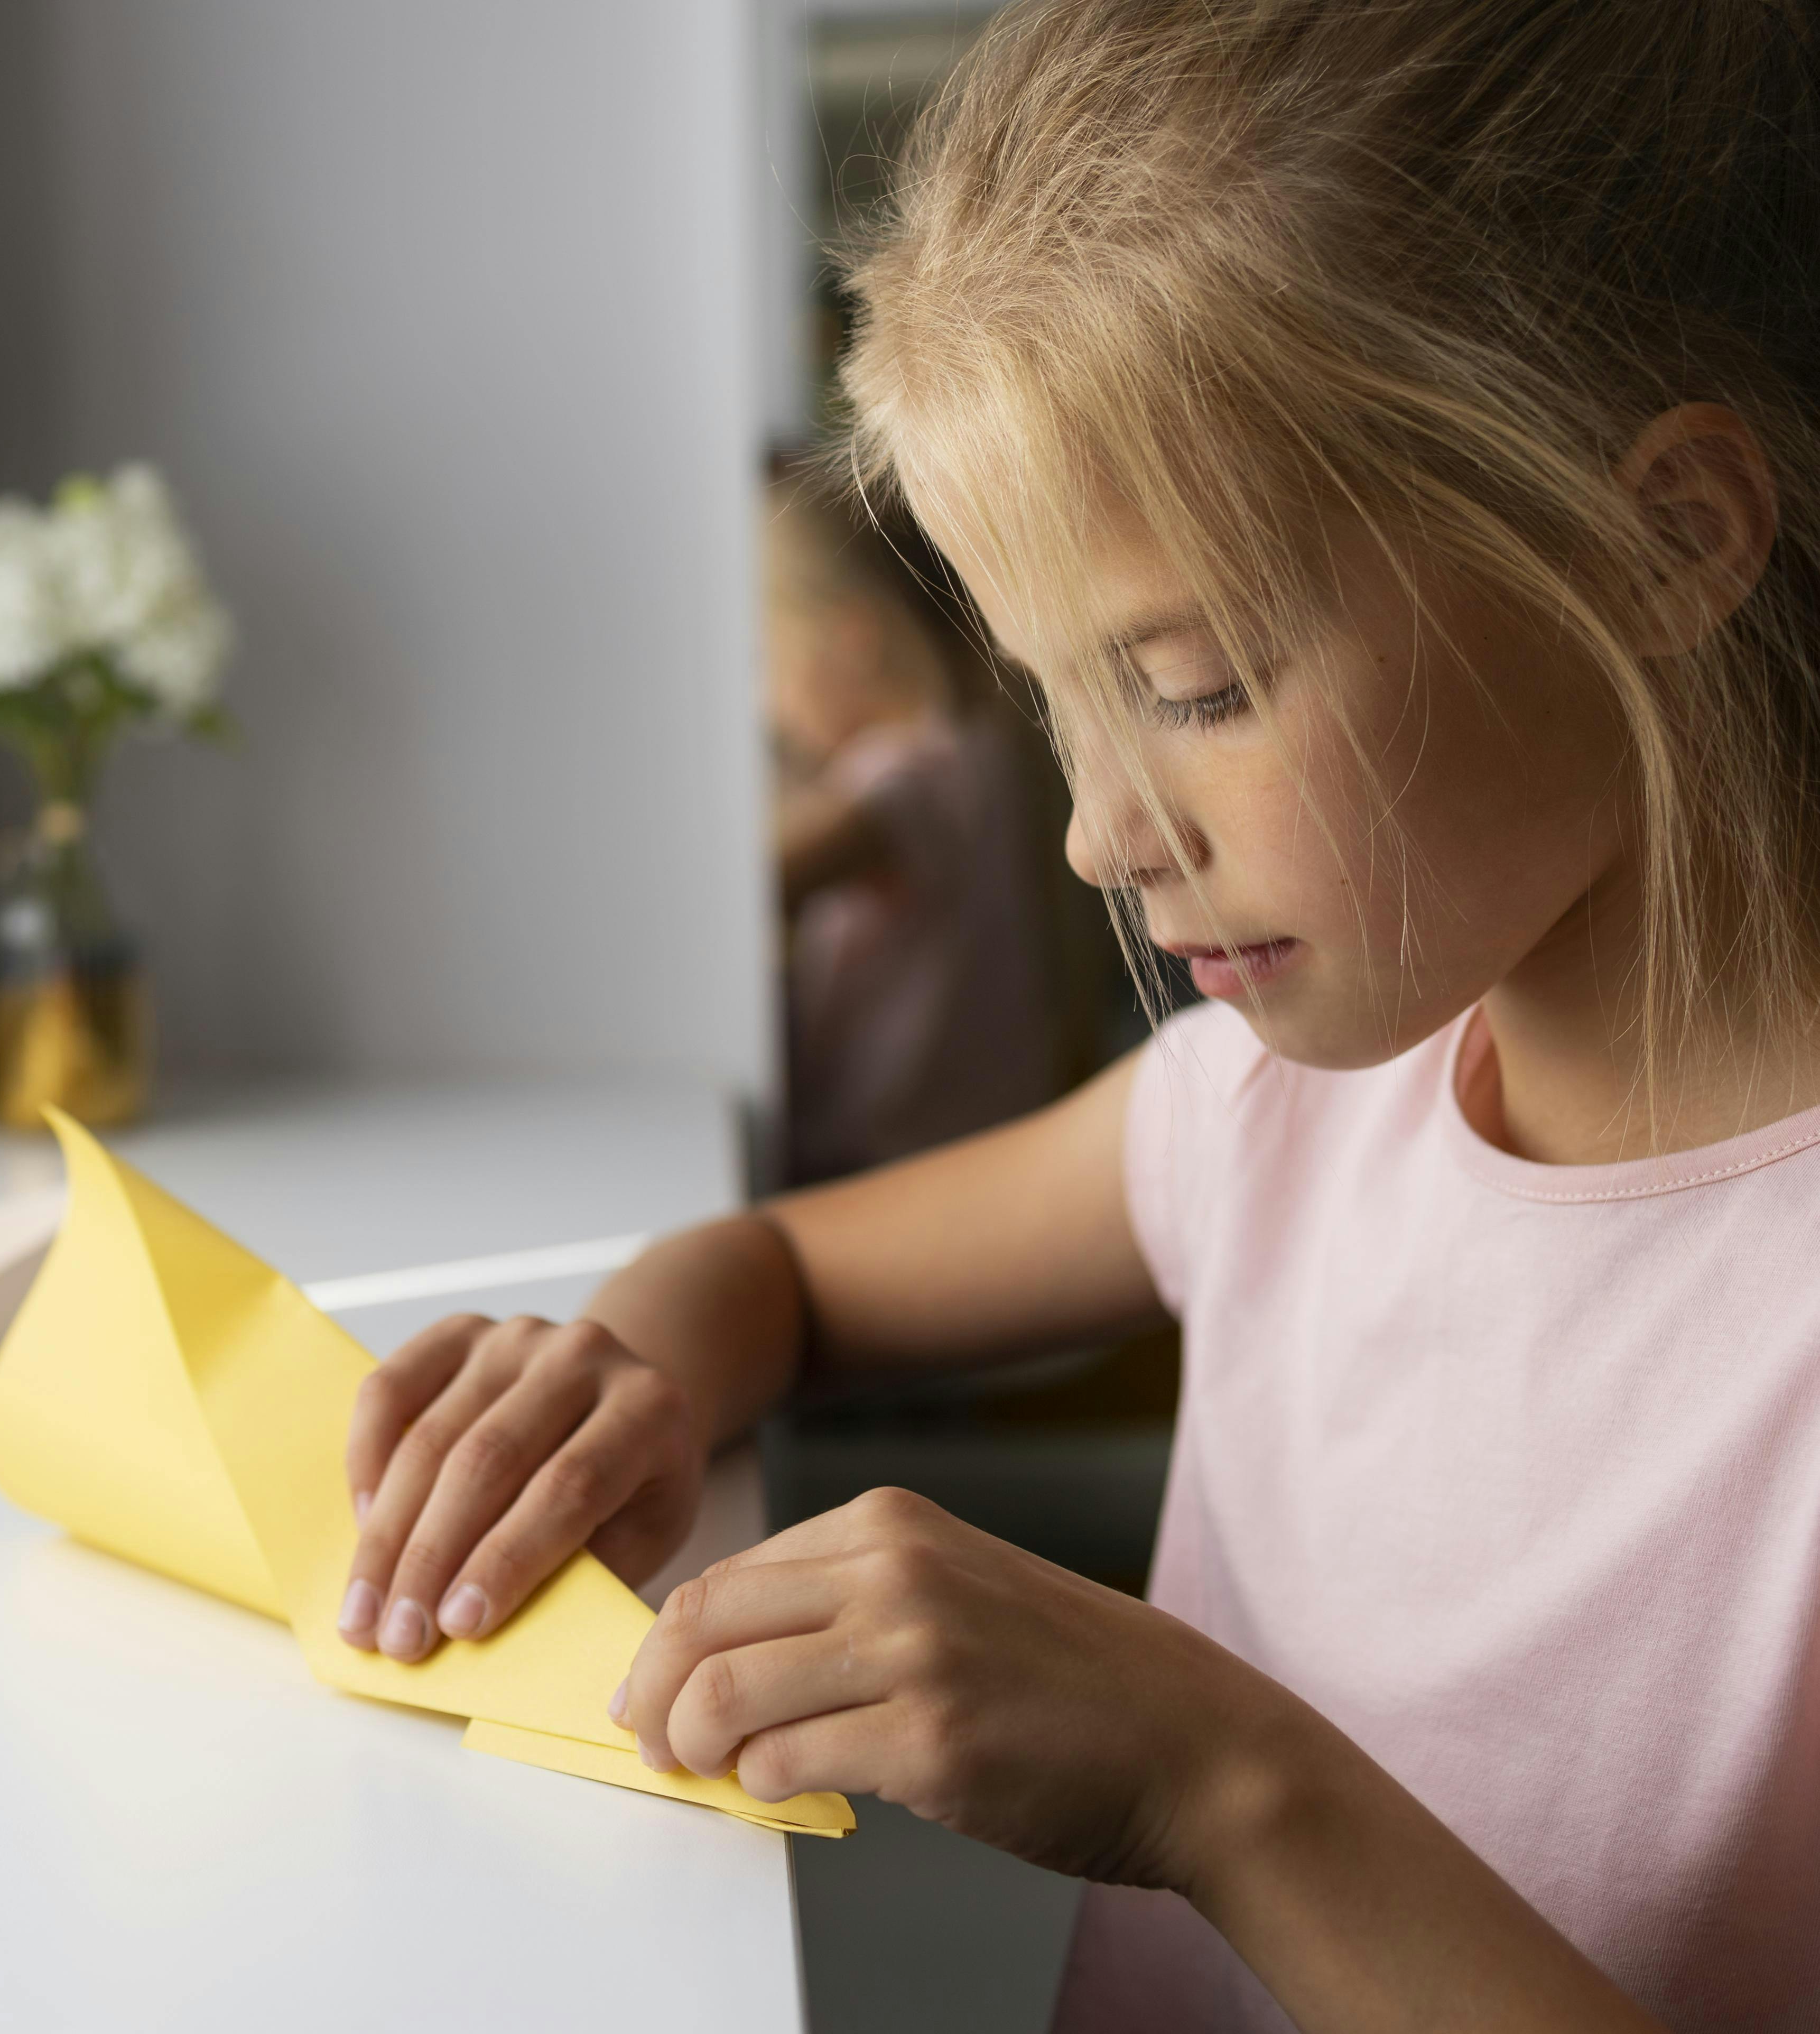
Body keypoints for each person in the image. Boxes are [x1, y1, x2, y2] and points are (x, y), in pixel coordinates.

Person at [334, 3, 1820, 2027]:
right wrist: (629, 1375)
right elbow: (776, 1266)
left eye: (1197, 685)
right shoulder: (1277, 1112)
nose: (1097, 836)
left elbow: (1222, 1784)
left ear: (1659, 542)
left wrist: (1214, 1779)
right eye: (1052, 697)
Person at [761, 468, 1062, 1179]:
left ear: (851, 640)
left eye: (765, 659)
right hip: (956, 1143)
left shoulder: (913, 782)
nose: (762, 699)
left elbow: (759, 881)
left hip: (897, 1161)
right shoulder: (978, 741)